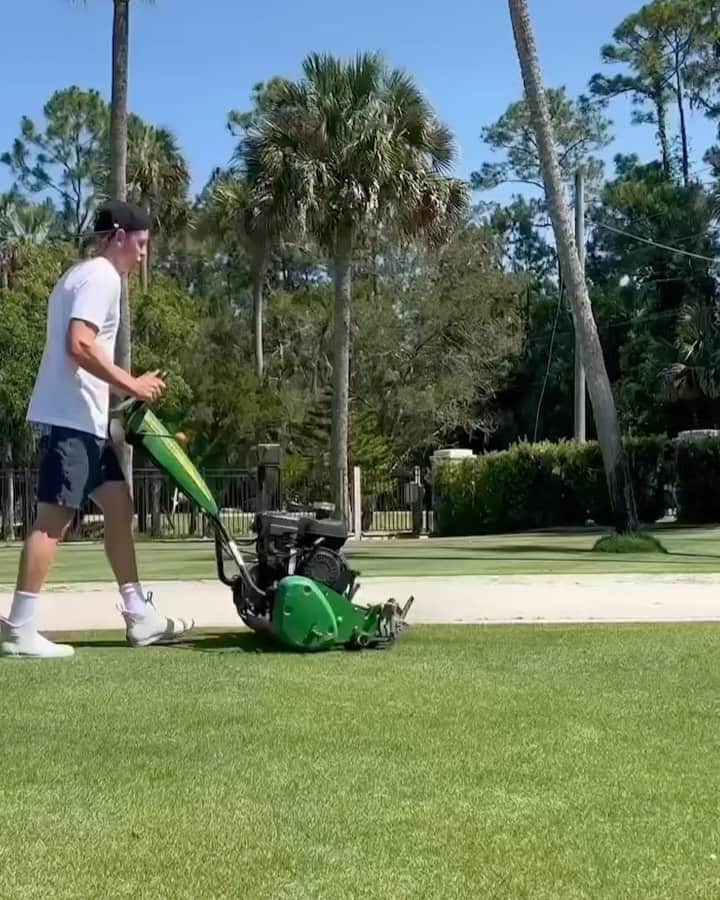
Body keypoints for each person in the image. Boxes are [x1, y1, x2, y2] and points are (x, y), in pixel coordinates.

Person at [0, 200, 195, 659]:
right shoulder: (102, 277)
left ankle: (139, 615)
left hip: (87, 422)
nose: (144, 255)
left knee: (119, 507)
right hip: (70, 422)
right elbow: (79, 344)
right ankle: (19, 628)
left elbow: (82, 352)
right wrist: (133, 384)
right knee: (53, 522)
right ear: (119, 237)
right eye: (141, 244)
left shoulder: (78, 275)